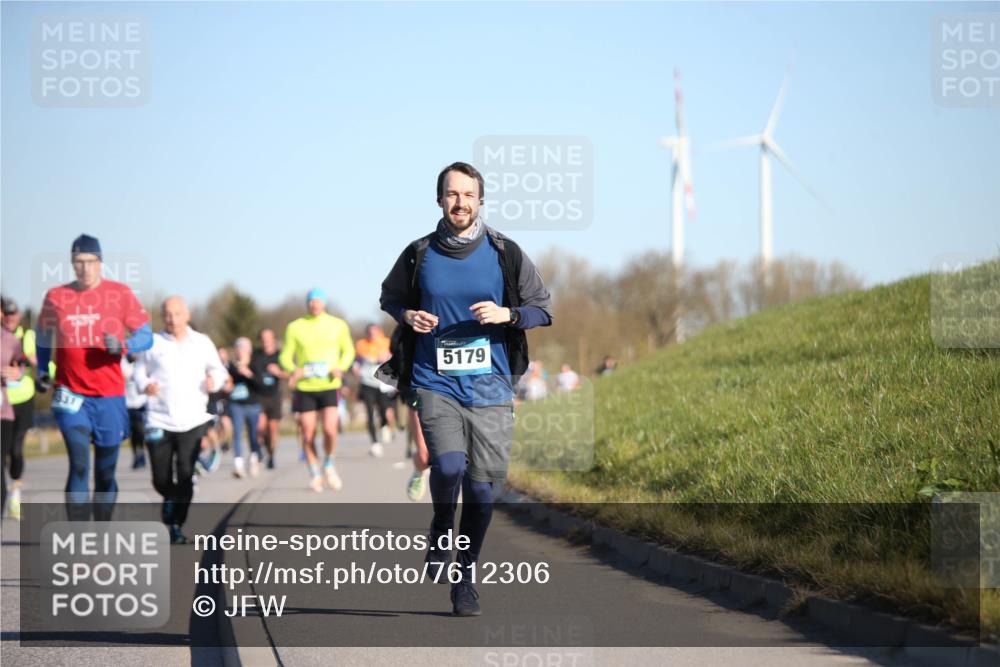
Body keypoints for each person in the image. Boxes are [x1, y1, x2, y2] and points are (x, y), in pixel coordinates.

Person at [379, 162, 552, 616]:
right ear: (440, 200)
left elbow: (541, 307)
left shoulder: (504, 252)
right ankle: (441, 522)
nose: (460, 202)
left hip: (491, 386)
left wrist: (507, 315)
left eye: (468, 195)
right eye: (452, 194)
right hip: (435, 380)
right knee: (450, 465)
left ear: (480, 200)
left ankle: (465, 577)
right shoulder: (419, 252)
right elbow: (390, 297)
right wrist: (408, 316)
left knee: (481, 492)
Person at [35, 234, 153, 520]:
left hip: (109, 395)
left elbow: (146, 337)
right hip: (69, 392)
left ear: (100, 263)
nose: (84, 268)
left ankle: (101, 527)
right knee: (78, 464)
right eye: (78, 262)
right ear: (72, 264)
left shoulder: (120, 294)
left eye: (90, 262)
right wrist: (41, 367)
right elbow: (42, 335)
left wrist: (123, 346)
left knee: (105, 471)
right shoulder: (56, 297)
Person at [133, 296, 228, 544]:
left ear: (186, 314)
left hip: (193, 419)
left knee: (185, 473)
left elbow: (219, 370)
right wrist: (145, 384)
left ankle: (176, 524)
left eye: (177, 314)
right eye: (167, 314)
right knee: (161, 478)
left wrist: (213, 382)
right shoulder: (152, 342)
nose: (172, 319)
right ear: (162, 316)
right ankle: (169, 496)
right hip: (158, 418)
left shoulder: (202, 342)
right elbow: (138, 371)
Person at [279, 288, 355, 492]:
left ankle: (329, 463)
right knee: (307, 434)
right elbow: (285, 356)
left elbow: (348, 351)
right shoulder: (295, 327)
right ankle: (314, 472)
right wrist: (294, 370)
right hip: (305, 387)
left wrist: (341, 367)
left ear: (324, 303)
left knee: (330, 430)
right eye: (311, 301)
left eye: (318, 300)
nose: (314, 304)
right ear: (307, 304)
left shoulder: (338, 325)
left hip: (330, 385)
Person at [1, 297, 37, 520]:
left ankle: (15, 490)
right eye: (7, 314)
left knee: (16, 449)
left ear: (20, 316)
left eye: (14, 314)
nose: (11, 318)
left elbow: (43, 365)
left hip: (23, 399)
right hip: (5, 401)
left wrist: (29, 365)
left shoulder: (28, 337)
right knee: (3, 453)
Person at [354, 323, 396, 458]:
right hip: (367, 381)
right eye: (370, 333)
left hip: (383, 382)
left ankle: (384, 426)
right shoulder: (361, 344)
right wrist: (355, 367)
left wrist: (387, 357)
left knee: (384, 410)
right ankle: (375, 443)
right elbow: (357, 360)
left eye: (375, 332)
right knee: (369, 412)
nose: (372, 335)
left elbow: (395, 358)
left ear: (380, 332)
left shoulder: (387, 342)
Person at [226, 336, 264, 478]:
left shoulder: (255, 364)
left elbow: (261, 384)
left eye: (243, 348)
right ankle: (238, 464)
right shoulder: (230, 366)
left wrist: (248, 373)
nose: (240, 351)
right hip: (236, 405)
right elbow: (226, 384)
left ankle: (254, 458)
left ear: (249, 350)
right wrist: (227, 385)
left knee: (254, 435)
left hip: (253, 405)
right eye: (238, 348)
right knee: (237, 433)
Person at [1, 318, 27, 516]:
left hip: (11, 407)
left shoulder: (13, 340)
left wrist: (18, 372)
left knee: (14, 452)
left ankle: (15, 489)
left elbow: (22, 365)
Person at [251, 328, 286, 469]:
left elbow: (289, 374)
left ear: (273, 340)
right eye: (263, 338)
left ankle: (271, 455)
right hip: (259, 395)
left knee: (272, 429)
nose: (266, 341)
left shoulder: (280, 356)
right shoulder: (256, 355)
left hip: (275, 395)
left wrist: (278, 372)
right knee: (260, 427)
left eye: (268, 338)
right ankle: (260, 452)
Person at [121, 354, 148, 469]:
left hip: (141, 403)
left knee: (140, 431)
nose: (135, 355)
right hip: (127, 403)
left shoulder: (142, 362)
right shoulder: (122, 363)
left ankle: (141, 452)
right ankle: (136, 455)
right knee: (132, 433)